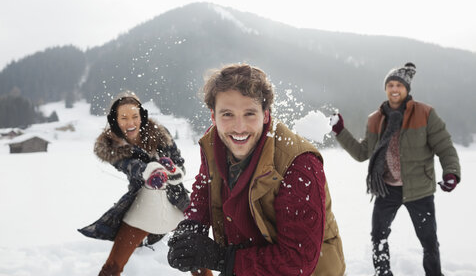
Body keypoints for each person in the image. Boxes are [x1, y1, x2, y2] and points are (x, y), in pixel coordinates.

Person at [167, 64, 345, 276]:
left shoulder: (299, 164)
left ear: (266, 115)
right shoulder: (214, 143)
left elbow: (298, 259)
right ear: (213, 117)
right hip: (246, 264)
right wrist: (193, 224)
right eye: (227, 114)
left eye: (250, 113)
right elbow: (206, 186)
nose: (239, 127)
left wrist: (223, 259)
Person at [330, 62, 461, 276]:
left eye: (398, 85)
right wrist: (339, 131)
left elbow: (445, 147)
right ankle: (383, 273)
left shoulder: (425, 113)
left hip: (420, 189)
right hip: (387, 188)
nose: (394, 89)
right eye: (390, 84)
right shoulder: (375, 119)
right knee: (378, 235)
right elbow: (362, 153)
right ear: (385, 89)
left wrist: (451, 173)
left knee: (428, 240)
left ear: (407, 89)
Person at [78, 92, 190, 276]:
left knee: (195, 259)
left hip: (176, 204)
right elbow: (131, 166)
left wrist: (173, 171)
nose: (130, 123)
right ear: (115, 120)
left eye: (135, 116)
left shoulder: (160, 134)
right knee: (113, 266)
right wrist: (151, 170)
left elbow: (179, 164)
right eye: (124, 118)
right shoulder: (111, 145)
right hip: (142, 208)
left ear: (142, 116)